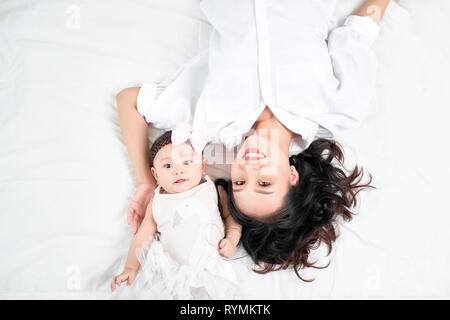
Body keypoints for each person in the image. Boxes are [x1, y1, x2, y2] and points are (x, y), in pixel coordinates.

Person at [116, 0, 390, 279]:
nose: (248, 169)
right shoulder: (340, 111)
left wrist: (146, 182)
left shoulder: (207, 120)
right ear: (293, 176)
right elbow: (360, 30)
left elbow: (129, 102)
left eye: (239, 182)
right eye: (264, 183)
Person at [110, 131, 240, 298]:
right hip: (174, 275)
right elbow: (143, 236)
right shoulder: (157, 201)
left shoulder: (212, 188)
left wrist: (232, 239)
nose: (178, 171)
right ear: (155, 174)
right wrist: (130, 268)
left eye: (186, 162)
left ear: (202, 166)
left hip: (214, 267)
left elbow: (232, 217)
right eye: (168, 166)